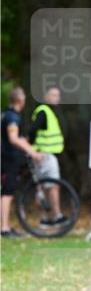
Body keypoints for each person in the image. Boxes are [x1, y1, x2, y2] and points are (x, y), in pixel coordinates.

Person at [1, 86, 43, 237]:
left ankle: (5, 226)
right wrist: (32, 151)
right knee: (7, 193)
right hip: (8, 159)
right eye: (24, 97)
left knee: (7, 193)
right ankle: (4, 229)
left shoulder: (7, 114)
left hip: (6, 158)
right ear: (20, 100)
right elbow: (13, 138)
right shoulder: (12, 117)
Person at [29, 85, 66, 226]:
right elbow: (33, 130)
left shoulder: (49, 112)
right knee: (53, 185)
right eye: (53, 95)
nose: (56, 98)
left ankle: (45, 218)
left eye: (58, 95)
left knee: (44, 187)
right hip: (44, 155)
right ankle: (56, 216)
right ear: (45, 97)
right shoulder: (44, 112)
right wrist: (33, 149)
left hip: (43, 154)